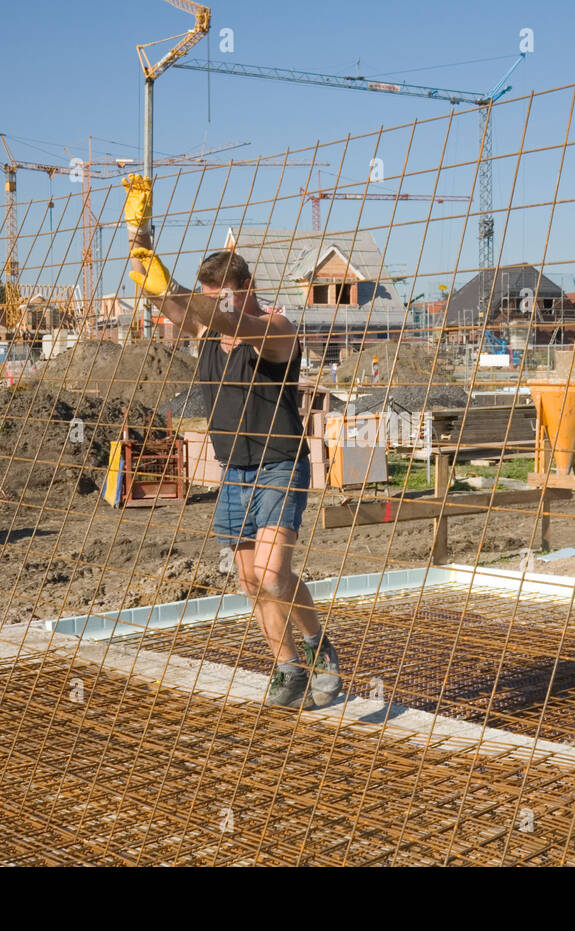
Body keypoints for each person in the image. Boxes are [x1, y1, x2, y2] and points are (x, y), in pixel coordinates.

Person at [120, 174, 342, 711]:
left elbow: (230, 320)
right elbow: (178, 308)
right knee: (251, 580)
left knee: (273, 574)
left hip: (279, 463)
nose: (208, 308)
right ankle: (288, 668)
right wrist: (141, 242)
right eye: (205, 299)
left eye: (218, 299)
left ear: (243, 294)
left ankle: (317, 647)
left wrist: (198, 301)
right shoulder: (206, 331)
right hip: (233, 470)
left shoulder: (276, 327)